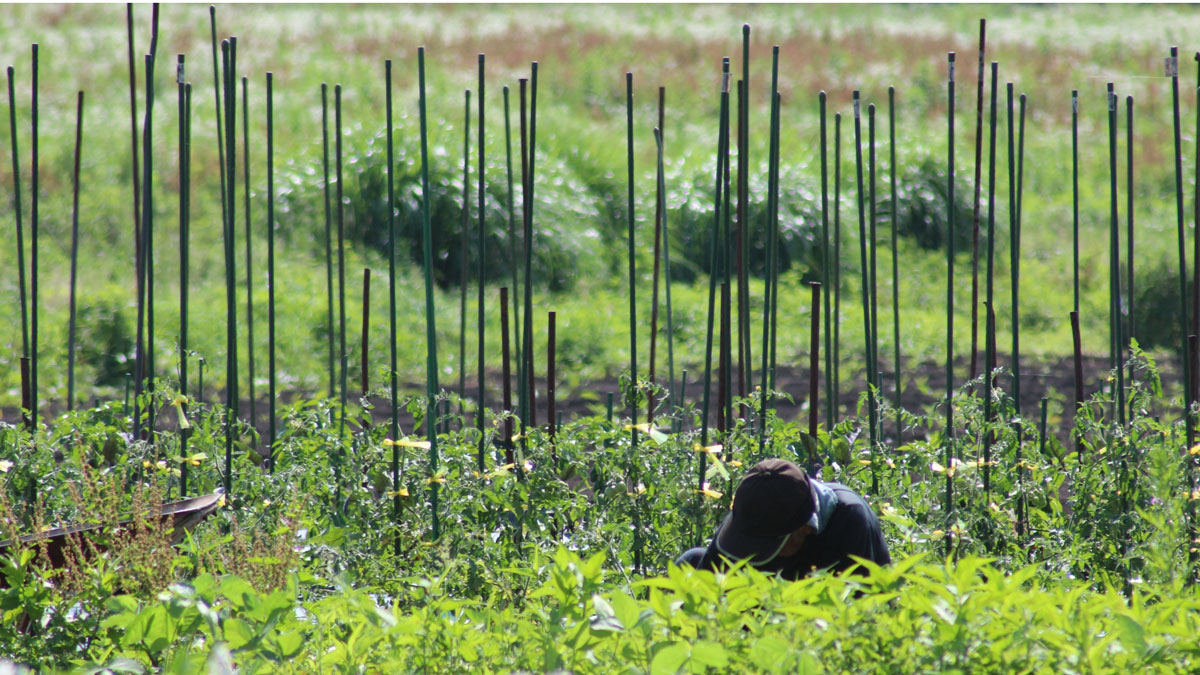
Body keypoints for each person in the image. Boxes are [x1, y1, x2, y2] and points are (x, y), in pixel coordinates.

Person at [677, 458, 890, 580]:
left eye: (764, 545)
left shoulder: (850, 521)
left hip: (811, 624)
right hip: (762, 609)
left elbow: (859, 611)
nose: (749, 554)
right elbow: (707, 586)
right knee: (690, 564)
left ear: (804, 530)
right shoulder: (758, 505)